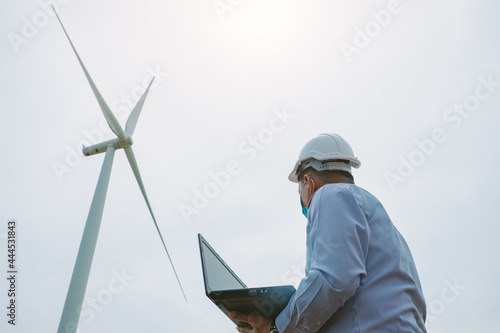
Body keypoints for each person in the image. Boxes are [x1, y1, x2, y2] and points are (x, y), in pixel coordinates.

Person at [229, 133, 427, 333]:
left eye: (300, 192)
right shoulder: (382, 224)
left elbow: (334, 279)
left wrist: (276, 328)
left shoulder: (330, 195)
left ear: (308, 182)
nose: (304, 201)